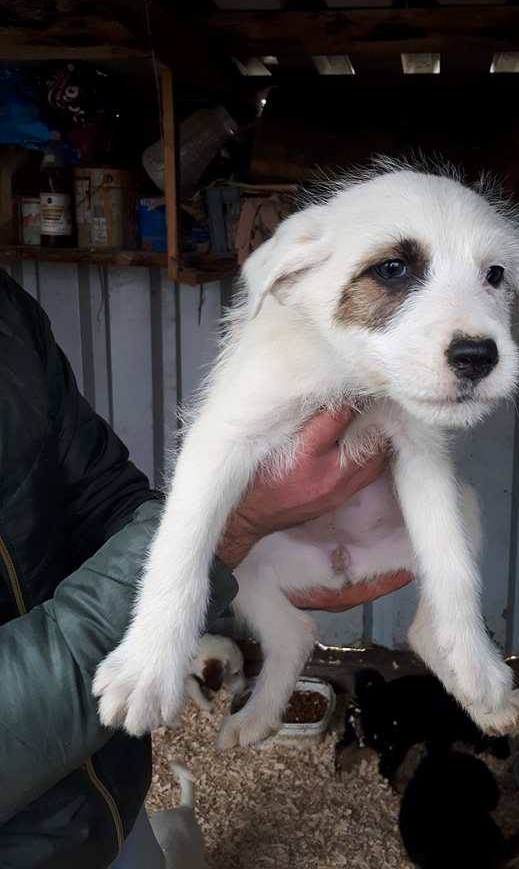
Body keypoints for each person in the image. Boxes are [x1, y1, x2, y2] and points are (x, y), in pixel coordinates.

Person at [0, 269, 411, 868]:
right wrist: (231, 528)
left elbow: (103, 496)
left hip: (104, 796)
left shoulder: (5, 310)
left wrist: (260, 547)